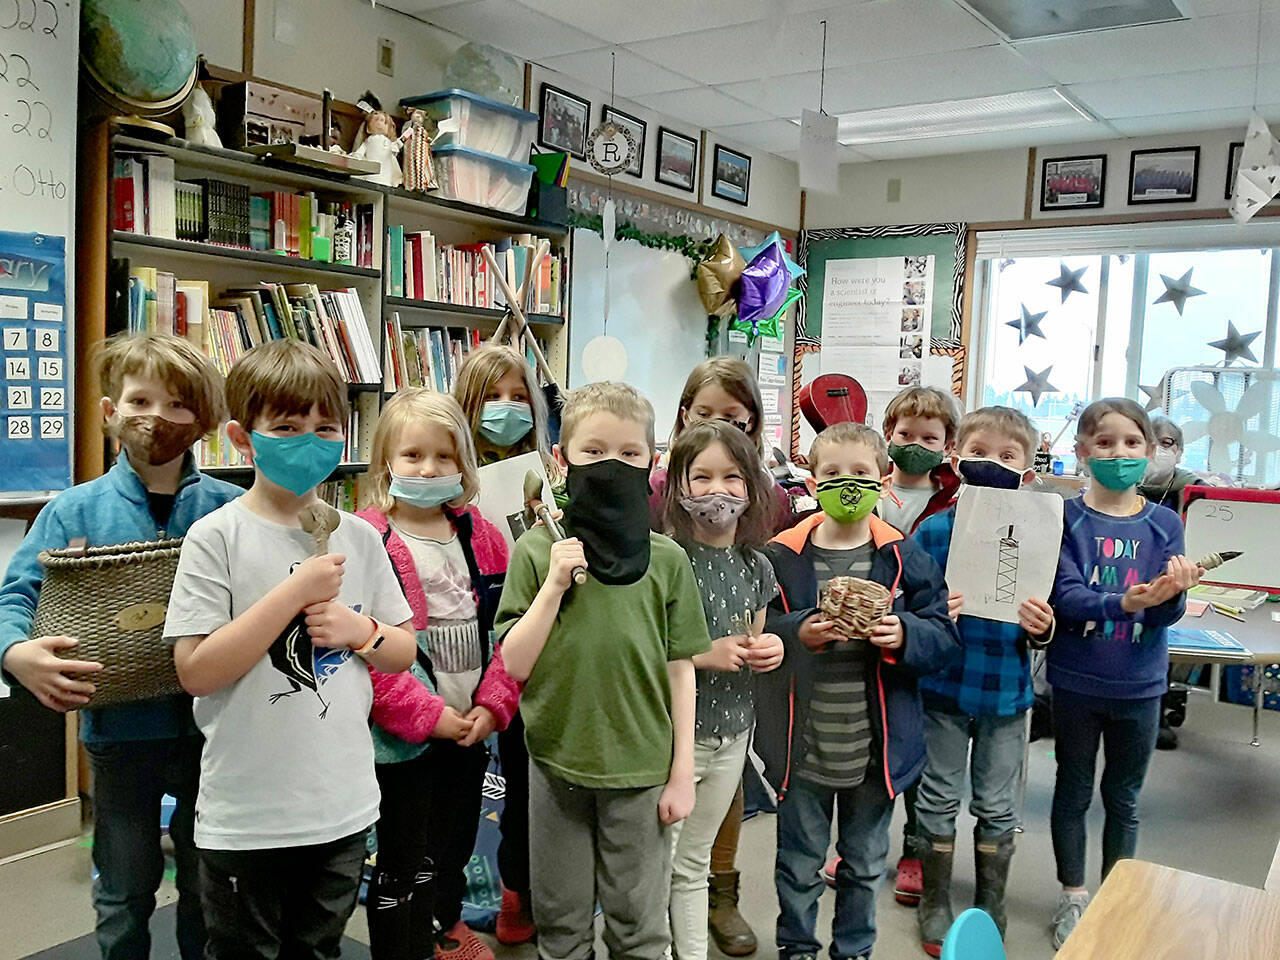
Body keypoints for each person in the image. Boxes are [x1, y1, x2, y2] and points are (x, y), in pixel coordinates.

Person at [163, 338, 417, 960]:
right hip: (246, 816)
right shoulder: (215, 537)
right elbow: (196, 671)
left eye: (325, 427)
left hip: (341, 807)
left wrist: (361, 632)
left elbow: (402, 651)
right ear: (242, 438)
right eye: (286, 427)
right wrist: (294, 593)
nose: (309, 441)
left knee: (318, 949)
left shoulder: (359, 536)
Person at [0, 332, 241, 960]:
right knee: (124, 886)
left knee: (210, 884)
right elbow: (14, 597)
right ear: (110, 412)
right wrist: (15, 653)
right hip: (118, 735)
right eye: (139, 401)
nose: (156, 418)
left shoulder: (231, 510)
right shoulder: (72, 512)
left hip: (214, 733)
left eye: (178, 405)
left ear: (204, 422)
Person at [494, 381, 711, 960]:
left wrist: (682, 772)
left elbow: (681, 669)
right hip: (556, 763)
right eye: (593, 451)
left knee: (639, 925)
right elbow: (515, 662)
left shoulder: (667, 561)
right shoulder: (537, 551)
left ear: (651, 460)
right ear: (561, 459)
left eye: (629, 453)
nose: (611, 465)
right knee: (561, 922)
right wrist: (553, 585)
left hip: (641, 770)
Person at [756, 422, 959, 960]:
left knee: (865, 864)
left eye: (861, 473)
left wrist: (905, 634)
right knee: (798, 864)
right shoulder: (781, 556)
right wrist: (798, 631)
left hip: (877, 751)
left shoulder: (904, 556)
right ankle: (797, 948)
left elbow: (943, 636)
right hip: (802, 749)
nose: (848, 483)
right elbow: (757, 629)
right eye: (833, 473)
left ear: (883, 479)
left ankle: (853, 950)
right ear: (812, 480)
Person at [356, 389, 521, 960]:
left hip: (471, 728)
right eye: (413, 455)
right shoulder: (369, 538)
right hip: (404, 739)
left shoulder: (483, 537)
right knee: (403, 857)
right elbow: (369, 652)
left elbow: (510, 630)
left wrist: (493, 706)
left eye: (443, 456)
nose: (428, 469)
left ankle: (445, 926)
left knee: (454, 845)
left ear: (462, 464)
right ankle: (403, 946)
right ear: (386, 462)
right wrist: (429, 718)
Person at [1046, 398, 1202, 951]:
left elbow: (1164, 616)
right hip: (1076, 680)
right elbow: (1065, 596)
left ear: (1150, 450)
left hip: (1141, 685)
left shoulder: (1165, 523)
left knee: (1124, 798)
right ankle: (1073, 894)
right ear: (1082, 451)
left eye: (1132, 443)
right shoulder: (1066, 518)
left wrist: (1170, 596)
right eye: (1105, 443)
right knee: (1072, 790)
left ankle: (1115, 899)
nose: (1119, 453)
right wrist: (1126, 602)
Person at [652, 356, 792, 955]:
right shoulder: (664, 560)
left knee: (693, 865)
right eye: (702, 477)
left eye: (733, 478)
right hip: (672, 737)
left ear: (752, 486)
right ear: (678, 487)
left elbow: (756, 639)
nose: (717, 491)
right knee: (661, 864)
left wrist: (771, 648)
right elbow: (647, 649)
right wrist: (704, 653)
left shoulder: (756, 565)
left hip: (734, 733)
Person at [911, 406, 1056, 955]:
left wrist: (1044, 628)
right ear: (956, 459)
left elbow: (1054, 615)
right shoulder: (935, 530)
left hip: (1005, 691)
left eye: (1007, 455)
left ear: (1028, 470)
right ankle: (934, 900)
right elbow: (908, 608)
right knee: (938, 795)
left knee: (998, 803)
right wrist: (931, 613)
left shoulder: (1041, 535)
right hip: (944, 686)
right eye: (978, 452)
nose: (991, 462)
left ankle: (992, 903)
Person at [452, 344, 556, 945]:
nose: (506, 408)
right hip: (463, 653)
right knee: (460, 785)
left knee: (525, 780)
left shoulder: (548, 473)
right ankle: (448, 905)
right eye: (492, 396)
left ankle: (519, 890)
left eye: (519, 397)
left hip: (529, 649)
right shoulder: (443, 477)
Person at [873, 385, 961, 904]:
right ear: (889, 434)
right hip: (872, 639)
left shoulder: (955, 503)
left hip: (924, 641)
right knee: (874, 745)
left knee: (920, 753)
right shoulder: (867, 490)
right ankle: (864, 844)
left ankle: (914, 850)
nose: (915, 445)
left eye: (929, 438)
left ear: (947, 445)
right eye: (906, 434)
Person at [1138, 416, 1202, 751]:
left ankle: (1162, 709)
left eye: (1167, 443)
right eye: (1152, 442)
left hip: (1182, 580)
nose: (1159, 451)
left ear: (1179, 451)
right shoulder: (1121, 486)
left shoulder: (1197, 492)